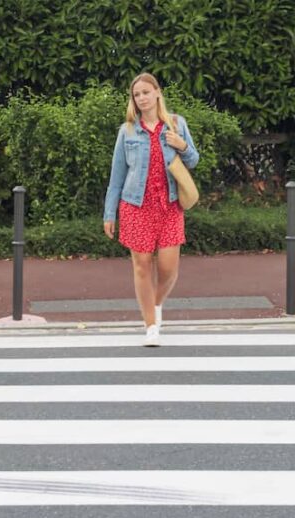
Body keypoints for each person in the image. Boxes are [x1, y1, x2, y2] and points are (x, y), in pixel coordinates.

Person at [103, 72, 199, 346]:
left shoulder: (177, 124)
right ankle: (150, 325)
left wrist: (182, 146)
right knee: (142, 267)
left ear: (158, 92)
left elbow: (193, 161)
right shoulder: (128, 131)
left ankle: (155, 305)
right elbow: (116, 177)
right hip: (135, 205)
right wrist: (110, 213)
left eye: (146, 92)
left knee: (169, 268)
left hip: (169, 205)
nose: (142, 98)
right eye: (137, 94)